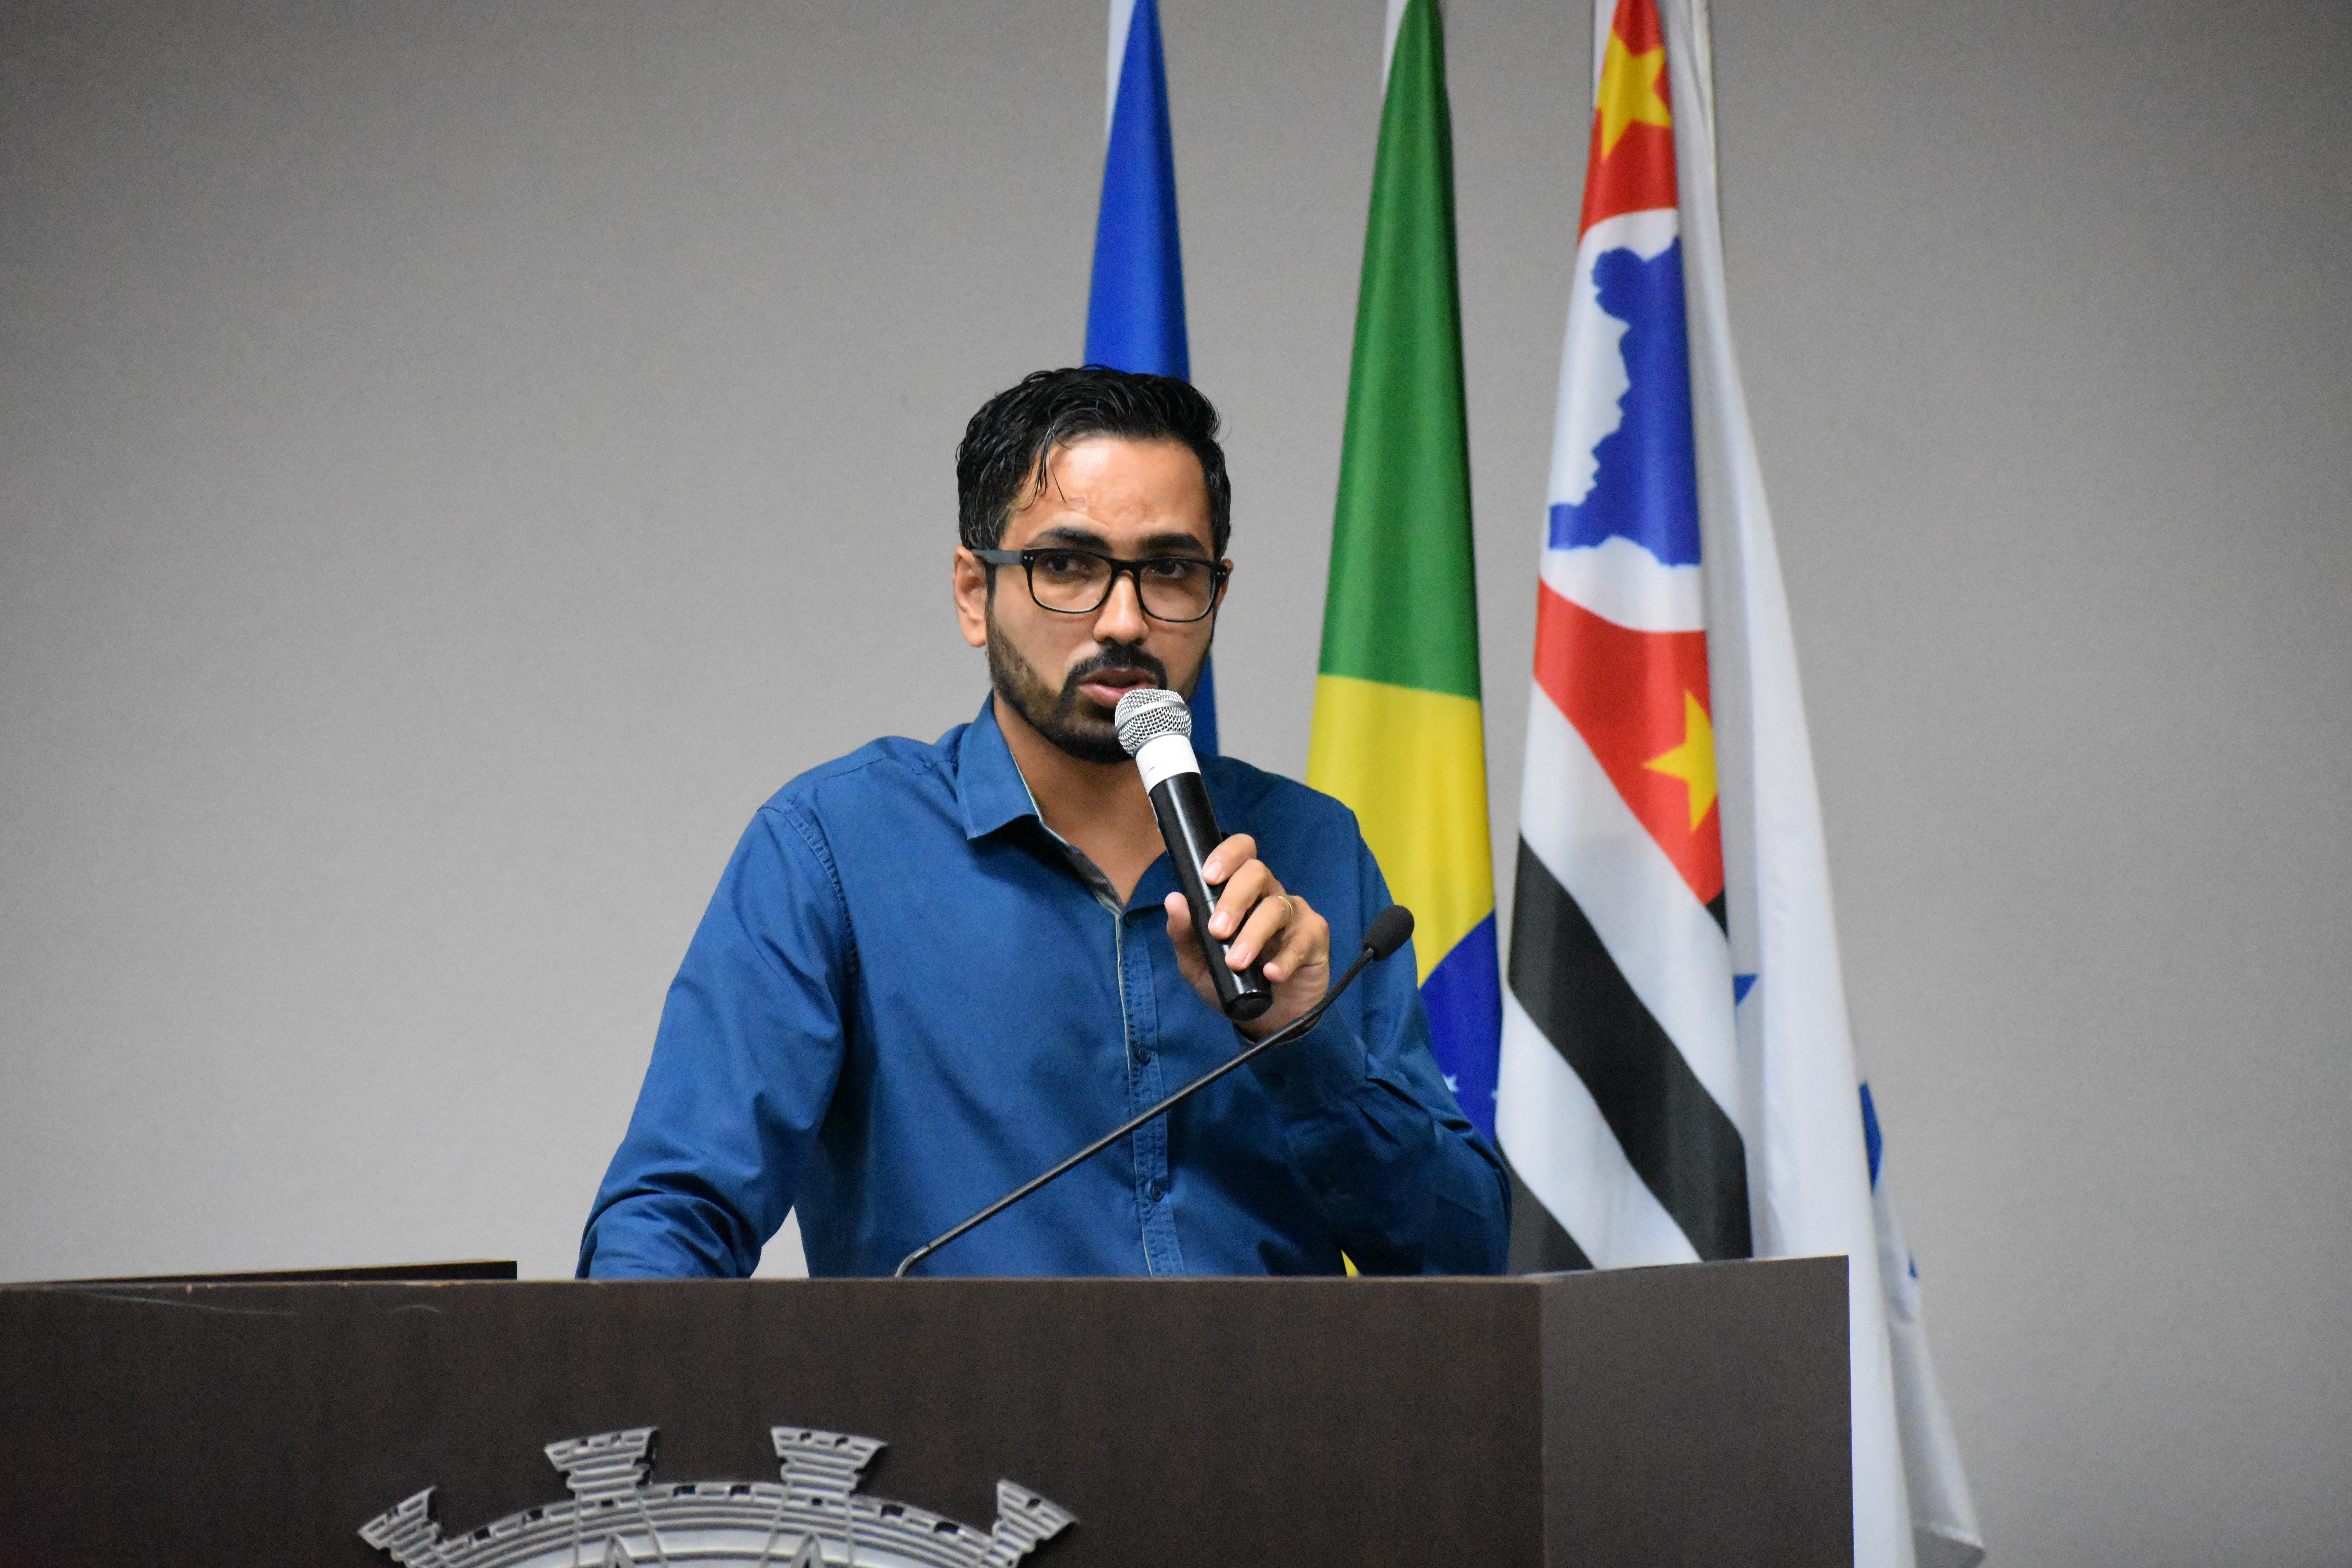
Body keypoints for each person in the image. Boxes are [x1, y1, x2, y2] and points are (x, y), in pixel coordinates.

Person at [577, 367, 1509, 1278]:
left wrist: (1308, 1045)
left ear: (1216, 593)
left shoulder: (1311, 848)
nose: (1125, 621)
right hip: (960, 1387)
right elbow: (671, 1217)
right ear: (973, 593)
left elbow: (1467, 1258)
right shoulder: (834, 849)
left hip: (1273, 1389)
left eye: (1170, 570)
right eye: (1067, 565)